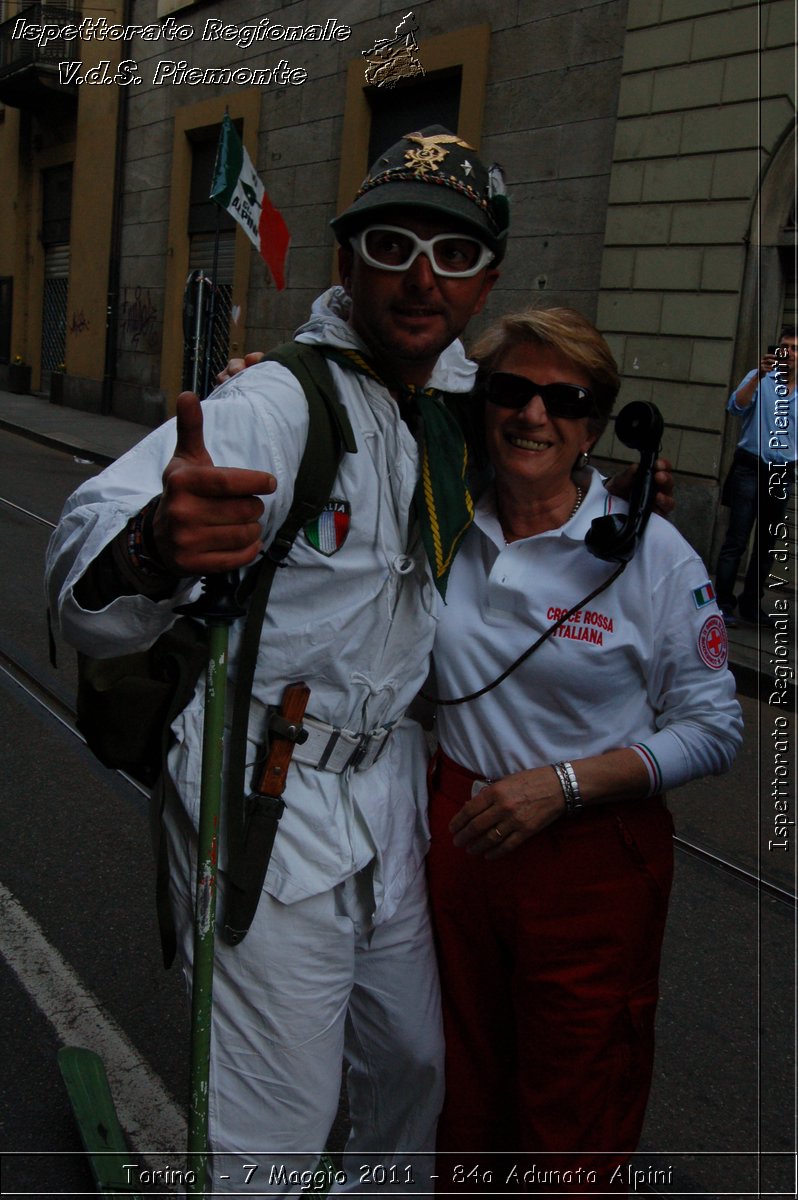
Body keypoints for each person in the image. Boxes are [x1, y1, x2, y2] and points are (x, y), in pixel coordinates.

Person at [46, 128, 671, 1194]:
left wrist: (614, 498)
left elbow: (543, 438)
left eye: (456, 256)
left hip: (387, 791)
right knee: (271, 1128)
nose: (422, 279)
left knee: (412, 1074)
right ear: (347, 264)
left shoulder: (458, 409)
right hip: (266, 793)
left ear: (486, 282)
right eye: (392, 245)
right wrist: (154, 545)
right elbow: (83, 543)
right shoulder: (277, 403)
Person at [424, 307, 743, 1194]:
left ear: (597, 425)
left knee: (574, 1107)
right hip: (458, 840)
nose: (535, 416)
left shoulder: (653, 557)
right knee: (462, 1083)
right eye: (513, 391)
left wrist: (562, 786)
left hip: (590, 857)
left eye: (564, 399)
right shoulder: (445, 520)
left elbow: (715, 728)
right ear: (483, 405)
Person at [715, 326, 797, 626]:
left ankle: (751, 605)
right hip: (750, 467)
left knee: (766, 544)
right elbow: (735, 407)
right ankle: (722, 604)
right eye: (784, 346)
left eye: (794, 348)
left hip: (781, 474)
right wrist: (759, 377)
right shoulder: (758, 377)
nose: (787, 353)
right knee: (736, 539)